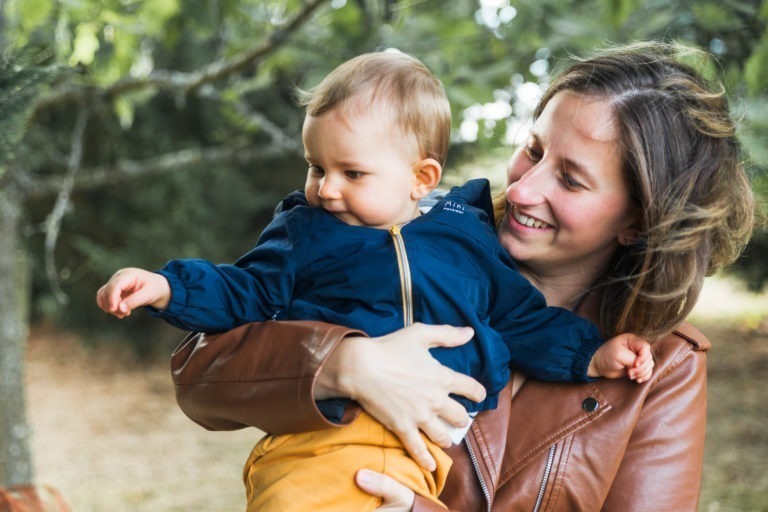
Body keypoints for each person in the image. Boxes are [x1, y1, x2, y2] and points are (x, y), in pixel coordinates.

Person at [165, 40, 756, 511]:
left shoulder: (665, 368)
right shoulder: (402, 232)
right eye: (532, 149)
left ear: (638, 220)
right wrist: (343, 364)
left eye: (571, 179)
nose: (524, 187)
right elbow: (198, 374)